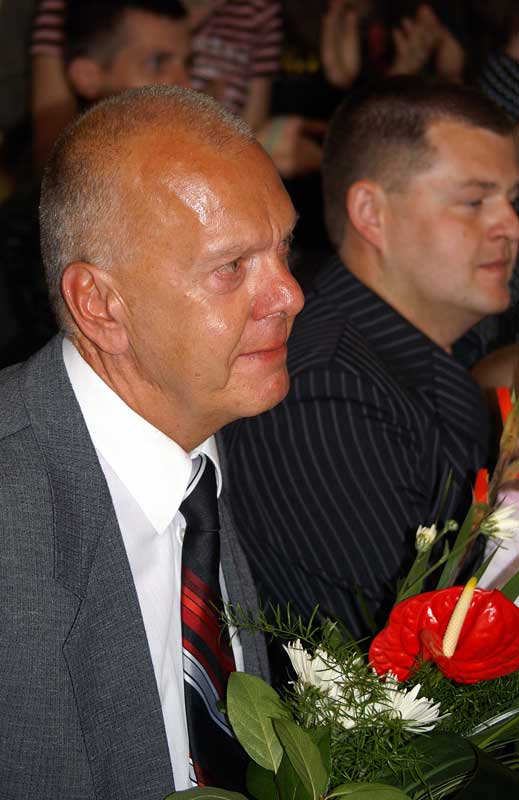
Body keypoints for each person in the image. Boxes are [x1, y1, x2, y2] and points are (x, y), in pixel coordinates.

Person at [0, 86, 304, 798]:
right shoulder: (13, 516)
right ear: (100, 306)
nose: (289, 294)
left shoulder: (204, 435)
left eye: (284, 248)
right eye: (231, 267)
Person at [224, 76, 519, 637]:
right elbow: (413, 662)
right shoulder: (327, 393)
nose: (510, 226)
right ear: (371, 213)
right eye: (475, 201)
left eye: (511, 200)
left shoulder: (435, 343)